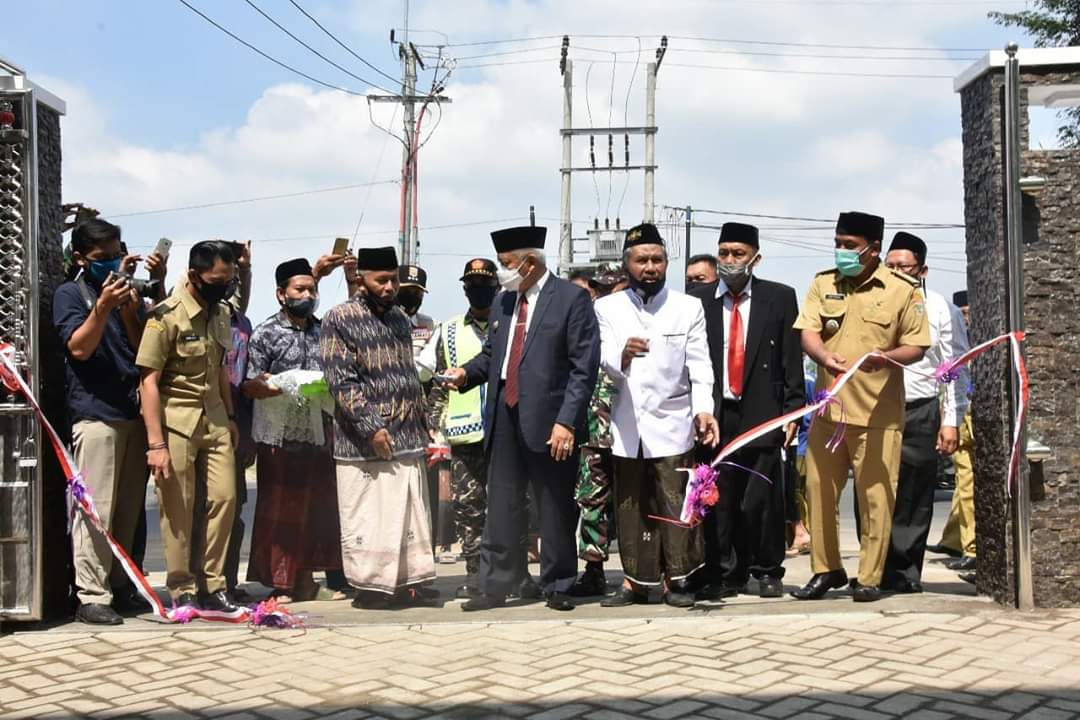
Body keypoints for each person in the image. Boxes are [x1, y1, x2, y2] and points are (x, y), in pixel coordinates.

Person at [443, 226, 600, 612]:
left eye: (506, 264)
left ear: (529, 263)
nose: (502, 272)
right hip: (504, 418)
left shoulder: (571, 299)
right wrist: (465, 374)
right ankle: (494, 586)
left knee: (554, 505)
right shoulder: (503, 302)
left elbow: (584, 367)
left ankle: (558, 584)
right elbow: (493, 354)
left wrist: (567, 421)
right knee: (501, 504)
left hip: (551, 422)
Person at [791, 211, 930, 603]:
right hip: (828, 412)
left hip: (877, 415)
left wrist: (887, 358)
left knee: (875, 498)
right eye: (838, 244)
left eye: (850, 246)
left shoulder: (903, 290)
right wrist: (822, 356)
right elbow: (808, 332)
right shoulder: (823, 283)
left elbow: (918, 345)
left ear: (873, 249)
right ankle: (826, 569)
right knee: (819, 493)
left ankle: (868, 577)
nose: (841, 252)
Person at [595, 223, 719, 608]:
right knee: (631, 507)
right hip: (628, 425)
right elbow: (599, 356)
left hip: (674, 423)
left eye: (657, 259)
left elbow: (700, 365)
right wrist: (623, 356)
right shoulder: (606, 308)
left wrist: (703, 410)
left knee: (675, 503)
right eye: (642, 260)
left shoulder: (688, 307)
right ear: (626, 264)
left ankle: (676, 581)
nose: (650, 267)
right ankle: (634, 582)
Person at [54, 218, 165, 624]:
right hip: (95, 415)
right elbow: (78, 349)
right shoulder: (71, 294)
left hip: (130, 412)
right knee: (95, 509)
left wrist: (130, 307)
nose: (112, 263)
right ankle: (91, 594)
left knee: (129, 511)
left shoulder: (126, 295)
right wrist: (100, 308)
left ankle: (122, 585)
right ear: (82, 259)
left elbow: (141, 349)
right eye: (102, 258)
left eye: (117, 254)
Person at [690, 222, 805, 600]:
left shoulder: (779, 297)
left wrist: (792, 412)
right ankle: (725, 571)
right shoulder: (699, 299)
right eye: (723, 253)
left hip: (763, 411)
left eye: (737, 254)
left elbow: (790, 358)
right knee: (718, 495)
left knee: (762, 496)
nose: (729, 261)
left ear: (755, 258)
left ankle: (767, 568)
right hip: (716, 413)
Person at [320, 246, 436, 610]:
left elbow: (408, 376)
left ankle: (404, 584)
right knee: (371, 516)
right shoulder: (339, 318)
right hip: (364, 443)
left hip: (406, 435)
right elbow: (341, 381)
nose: (389, 287)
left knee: (405, 514)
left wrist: (424, 422)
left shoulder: (401, 318)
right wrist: (370, 427)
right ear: (362, 279)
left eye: (393, 279)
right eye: (381, 280)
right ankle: (371, 589)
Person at [137, 240, 240, 612]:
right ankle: (182, 587)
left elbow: (221, 371)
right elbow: (148, 380)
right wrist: (156, 444)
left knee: (226, 498)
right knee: (178, 508)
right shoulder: (165, 315)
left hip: (214, 420)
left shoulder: (221, 313)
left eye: (230, 278)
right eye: (218, 279)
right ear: (195, 276)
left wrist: (230, 417)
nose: (225, 285)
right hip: (176, 423)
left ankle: (215, 583)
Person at [242, 257, 347, 603]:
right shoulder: (265, 333)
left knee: (322, 507)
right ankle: (282, 583)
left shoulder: (323, 331)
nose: (308, 295)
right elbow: (249, 384)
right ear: (281, 294)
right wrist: (285, 385)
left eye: (312, 289)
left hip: (319, 432)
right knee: (282, 510)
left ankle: (322, 576)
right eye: (300, 289)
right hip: (280, 436)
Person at [880, 232, 970, 593]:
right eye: (891, 266)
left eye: (905, 267)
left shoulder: (941, 309)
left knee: (915, 495)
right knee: (875, 493)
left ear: (923, 270)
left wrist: (950, 420)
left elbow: (954, 368)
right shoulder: (874, 304)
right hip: (876, 410)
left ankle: (903, 573)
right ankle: (873, 568)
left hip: (920, 409)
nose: (897, 272)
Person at [421, 258, 500, 599]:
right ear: (464, 289)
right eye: (471, 285)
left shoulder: (508, 323)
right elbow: (438, 381)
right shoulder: (449, 329)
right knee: (469, 506)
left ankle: (512, 571)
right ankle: (474, 570)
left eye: (484, 284)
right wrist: (433, 424)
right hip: (465, 433)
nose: (477, 290)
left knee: (511, 503)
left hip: (504, 432)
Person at [568, 262, 628, 597]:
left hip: (633, 428)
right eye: (600, 290)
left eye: (613, 289)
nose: (605, 295)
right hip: (592, 429)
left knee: (635, 500)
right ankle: (593, 569)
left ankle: (642, 567)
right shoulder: (585, 327)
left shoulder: (639, 321)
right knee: (592, 501)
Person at [929, 290, 977, 574]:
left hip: (977, 412)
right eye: (964, 313)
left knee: (969, 484)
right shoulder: (954, 344)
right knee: (965, 481)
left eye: (971, 313)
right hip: (960, 414)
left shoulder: (985, 339)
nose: (968, 319)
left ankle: (964, 543)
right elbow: (948, 377)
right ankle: (962, 543)